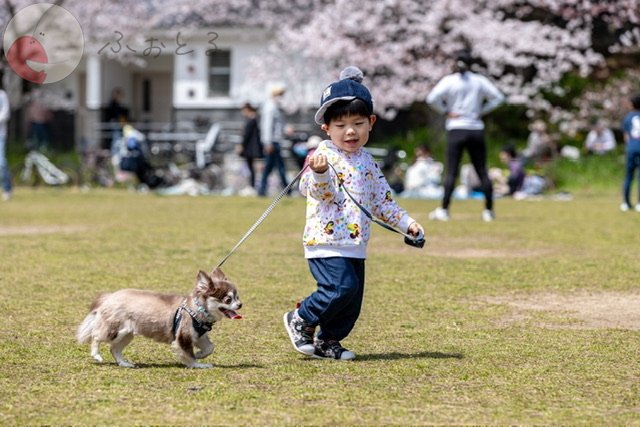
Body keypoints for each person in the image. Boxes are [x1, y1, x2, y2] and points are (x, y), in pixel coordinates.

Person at [283, 67, 424, 360]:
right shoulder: (322, 156)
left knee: (351, 302)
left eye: (358, 123)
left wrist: (406, 223)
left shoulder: (368, 162)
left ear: (371, 122)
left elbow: (382, 202)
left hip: (355, 243)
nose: (350, 131)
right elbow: (315, 192)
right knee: (340, 288)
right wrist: (320, 173)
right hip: (326, 241)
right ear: (326, 128)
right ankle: (301, 317)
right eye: (341, 125)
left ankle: (329, 340)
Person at [426, 49, 504, 222]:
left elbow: (431, 99)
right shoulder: (479, 81)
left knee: (451, 171)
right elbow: (498, 98)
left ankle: (444, 209)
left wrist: (446, 111)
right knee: (482, 170)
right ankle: (488, 211)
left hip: (456, 128)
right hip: (476, 128)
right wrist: (481, 111)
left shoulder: (449, 80)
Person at [258, 85, 289, 196]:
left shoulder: (276, 107)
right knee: (278, 168)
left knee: (270, 168)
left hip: (276, 141)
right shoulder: (270, 107)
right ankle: (287, 190)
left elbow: (278, 125)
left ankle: (262, 190)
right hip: (272, 142)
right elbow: (267, 126)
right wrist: (268, 142)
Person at [620, 94, 640, 212]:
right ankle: (639, 204)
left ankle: (626, 203)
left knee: (628, 176)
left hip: (632, 148)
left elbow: (626, 137)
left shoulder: (628, 118)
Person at [239, 103, 262, 189]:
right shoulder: (253, 119)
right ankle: (252, 185)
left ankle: (252, 185)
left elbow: (247, 135)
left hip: (250, 148)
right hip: (250, 147)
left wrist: (242, 145)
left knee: (251, 167)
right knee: (251, 167)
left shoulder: (252, 120)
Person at [0, 81, 12, 201]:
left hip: (1, 135)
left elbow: (5, 114)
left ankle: (7, 189)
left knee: (1, 163)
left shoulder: (2, 95)